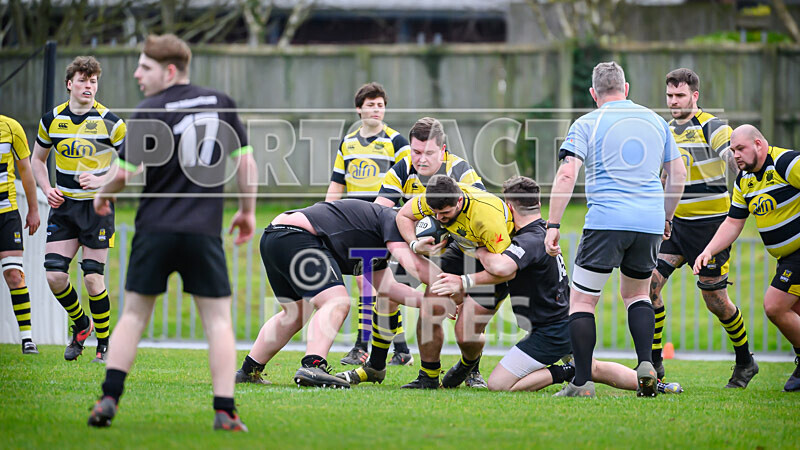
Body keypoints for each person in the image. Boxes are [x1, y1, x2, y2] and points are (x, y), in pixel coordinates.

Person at [87, 34, 256, 431]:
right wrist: (247, 211)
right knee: (218, 322)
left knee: (133, 315)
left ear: (169, 71)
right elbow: (246, 163)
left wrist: (102, 195)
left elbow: (124, 174)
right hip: (203, 232)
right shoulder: (221, 102)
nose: (137, 74)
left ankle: (109, 397)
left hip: (155, 229)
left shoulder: (148, 110)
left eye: (144, 67)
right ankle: (225, 411)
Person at [430, 176, 683, 395]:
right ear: (538, 204)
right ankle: (659, 386)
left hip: (550, 331)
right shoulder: (542, 233)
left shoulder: (528, 240)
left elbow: (502, 269)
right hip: (565, 321)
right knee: (593, 368)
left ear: (508, 207)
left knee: (499, 384)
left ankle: (567, 371)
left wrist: (476, 250)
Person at [544, 61, 686, 397]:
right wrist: (666, 218)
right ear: (627, 89)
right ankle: (646, 365)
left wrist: (553, 224)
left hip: (606, 222)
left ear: (593, 93)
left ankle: (582, 383)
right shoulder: (656, 122)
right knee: (638, 295)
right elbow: (678, 174)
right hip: (649, 223)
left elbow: (567, 174)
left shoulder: (587, 123)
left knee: (582, 301)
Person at [236, 199, 438, 389]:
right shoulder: (393, 220)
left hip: (276, 236)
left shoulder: (379, 237)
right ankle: (312, 366)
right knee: (336, 301)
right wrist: (448, 290)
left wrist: (430, 301)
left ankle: (248, 371)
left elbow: (388, 288)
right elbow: (415, 266)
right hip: (296, 236)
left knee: (295, 313)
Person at [649, 68, 757, 387]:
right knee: (648, 287)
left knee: (716, 301)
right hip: (676, 226)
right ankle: (654, 363)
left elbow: (732, 157)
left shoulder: (712, 125)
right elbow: (666, 175)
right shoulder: (666, 129)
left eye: (679, 95)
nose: (673, 101)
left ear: (695, 96)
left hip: (710, 228)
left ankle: (745, 361)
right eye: (669, 95)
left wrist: (744, 178)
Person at [374, 116, 488, 385]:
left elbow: (481, 215)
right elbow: (379, 211)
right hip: (418, 247)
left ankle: (472, 369)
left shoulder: (461, 171)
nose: (421, 159)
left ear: (443, 150)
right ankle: (378, 365)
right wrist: (413, 239)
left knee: (465, 317)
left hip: (461, 249)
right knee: (385, 294)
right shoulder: (402, 169)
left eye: (429, 153)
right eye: (416, 152)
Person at [32, 56, 126, 363]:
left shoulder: (111, 122)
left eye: (93, 81)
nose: (89, 86)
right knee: (54, 275)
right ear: (69, 84)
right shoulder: (52, 119)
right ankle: (82, 324)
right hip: (64, 207)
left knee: (92, 278)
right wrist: (46, 188)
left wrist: (101, 180)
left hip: (98, 207)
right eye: (83, 81)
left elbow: (134, 164)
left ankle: (104, 344)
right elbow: (37, 160)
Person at [694, 124, 800, 392]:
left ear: (759, 145)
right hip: (786, 258)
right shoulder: (744, 180)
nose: (736, 155)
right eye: (732, 150)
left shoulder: (787, 163)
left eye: (740, 149)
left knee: (775, 306)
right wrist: (708, 250)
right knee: (795, 312)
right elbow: (733, 223)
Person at [395, 175, 514, 389]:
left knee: (465, 334)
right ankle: (428, 376)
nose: (439, 218)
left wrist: (463, 283)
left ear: (459, 201)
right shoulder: (434, 198)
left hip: (492, 259)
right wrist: (414, 244)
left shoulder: (487, 217)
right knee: (431, 306)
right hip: (462, 249)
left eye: (445, 213)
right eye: (435, 213)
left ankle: (468, 364)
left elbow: (507, 270)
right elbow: (403, 215)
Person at [326, 82, 412, 366]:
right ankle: (401, 349)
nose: (376, 109)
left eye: (380, 105)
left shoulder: (396, 142)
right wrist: (327, 213)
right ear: (358, 109)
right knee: (379, 286)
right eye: (371, 105)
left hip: (383, 220)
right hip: (354, 219)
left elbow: (409, 181)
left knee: (369, 284)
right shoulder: (348, 142)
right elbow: (337, 183)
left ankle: (361, 347)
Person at [0, 115, 41, 354]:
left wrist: (33, 209)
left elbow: (25, 169)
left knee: (14, 275)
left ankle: (27, 339)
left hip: (6, 213)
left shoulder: (11, 127)